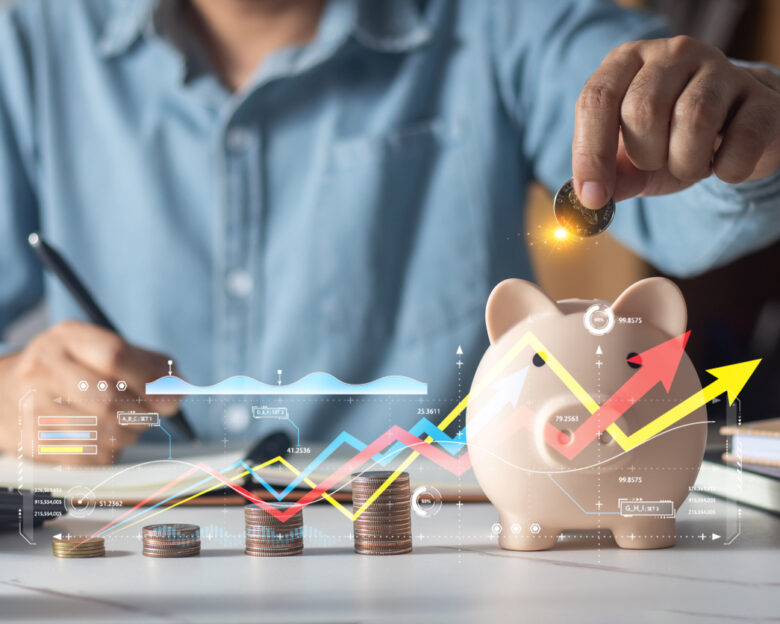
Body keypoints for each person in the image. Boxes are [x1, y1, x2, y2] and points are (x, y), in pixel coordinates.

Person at [0, 0, 779, 464]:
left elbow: (686, 204)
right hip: (133, 556)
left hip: (453, 549)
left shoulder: (502, 19)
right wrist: (10, 399)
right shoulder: (26, 34)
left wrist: (736, 125)